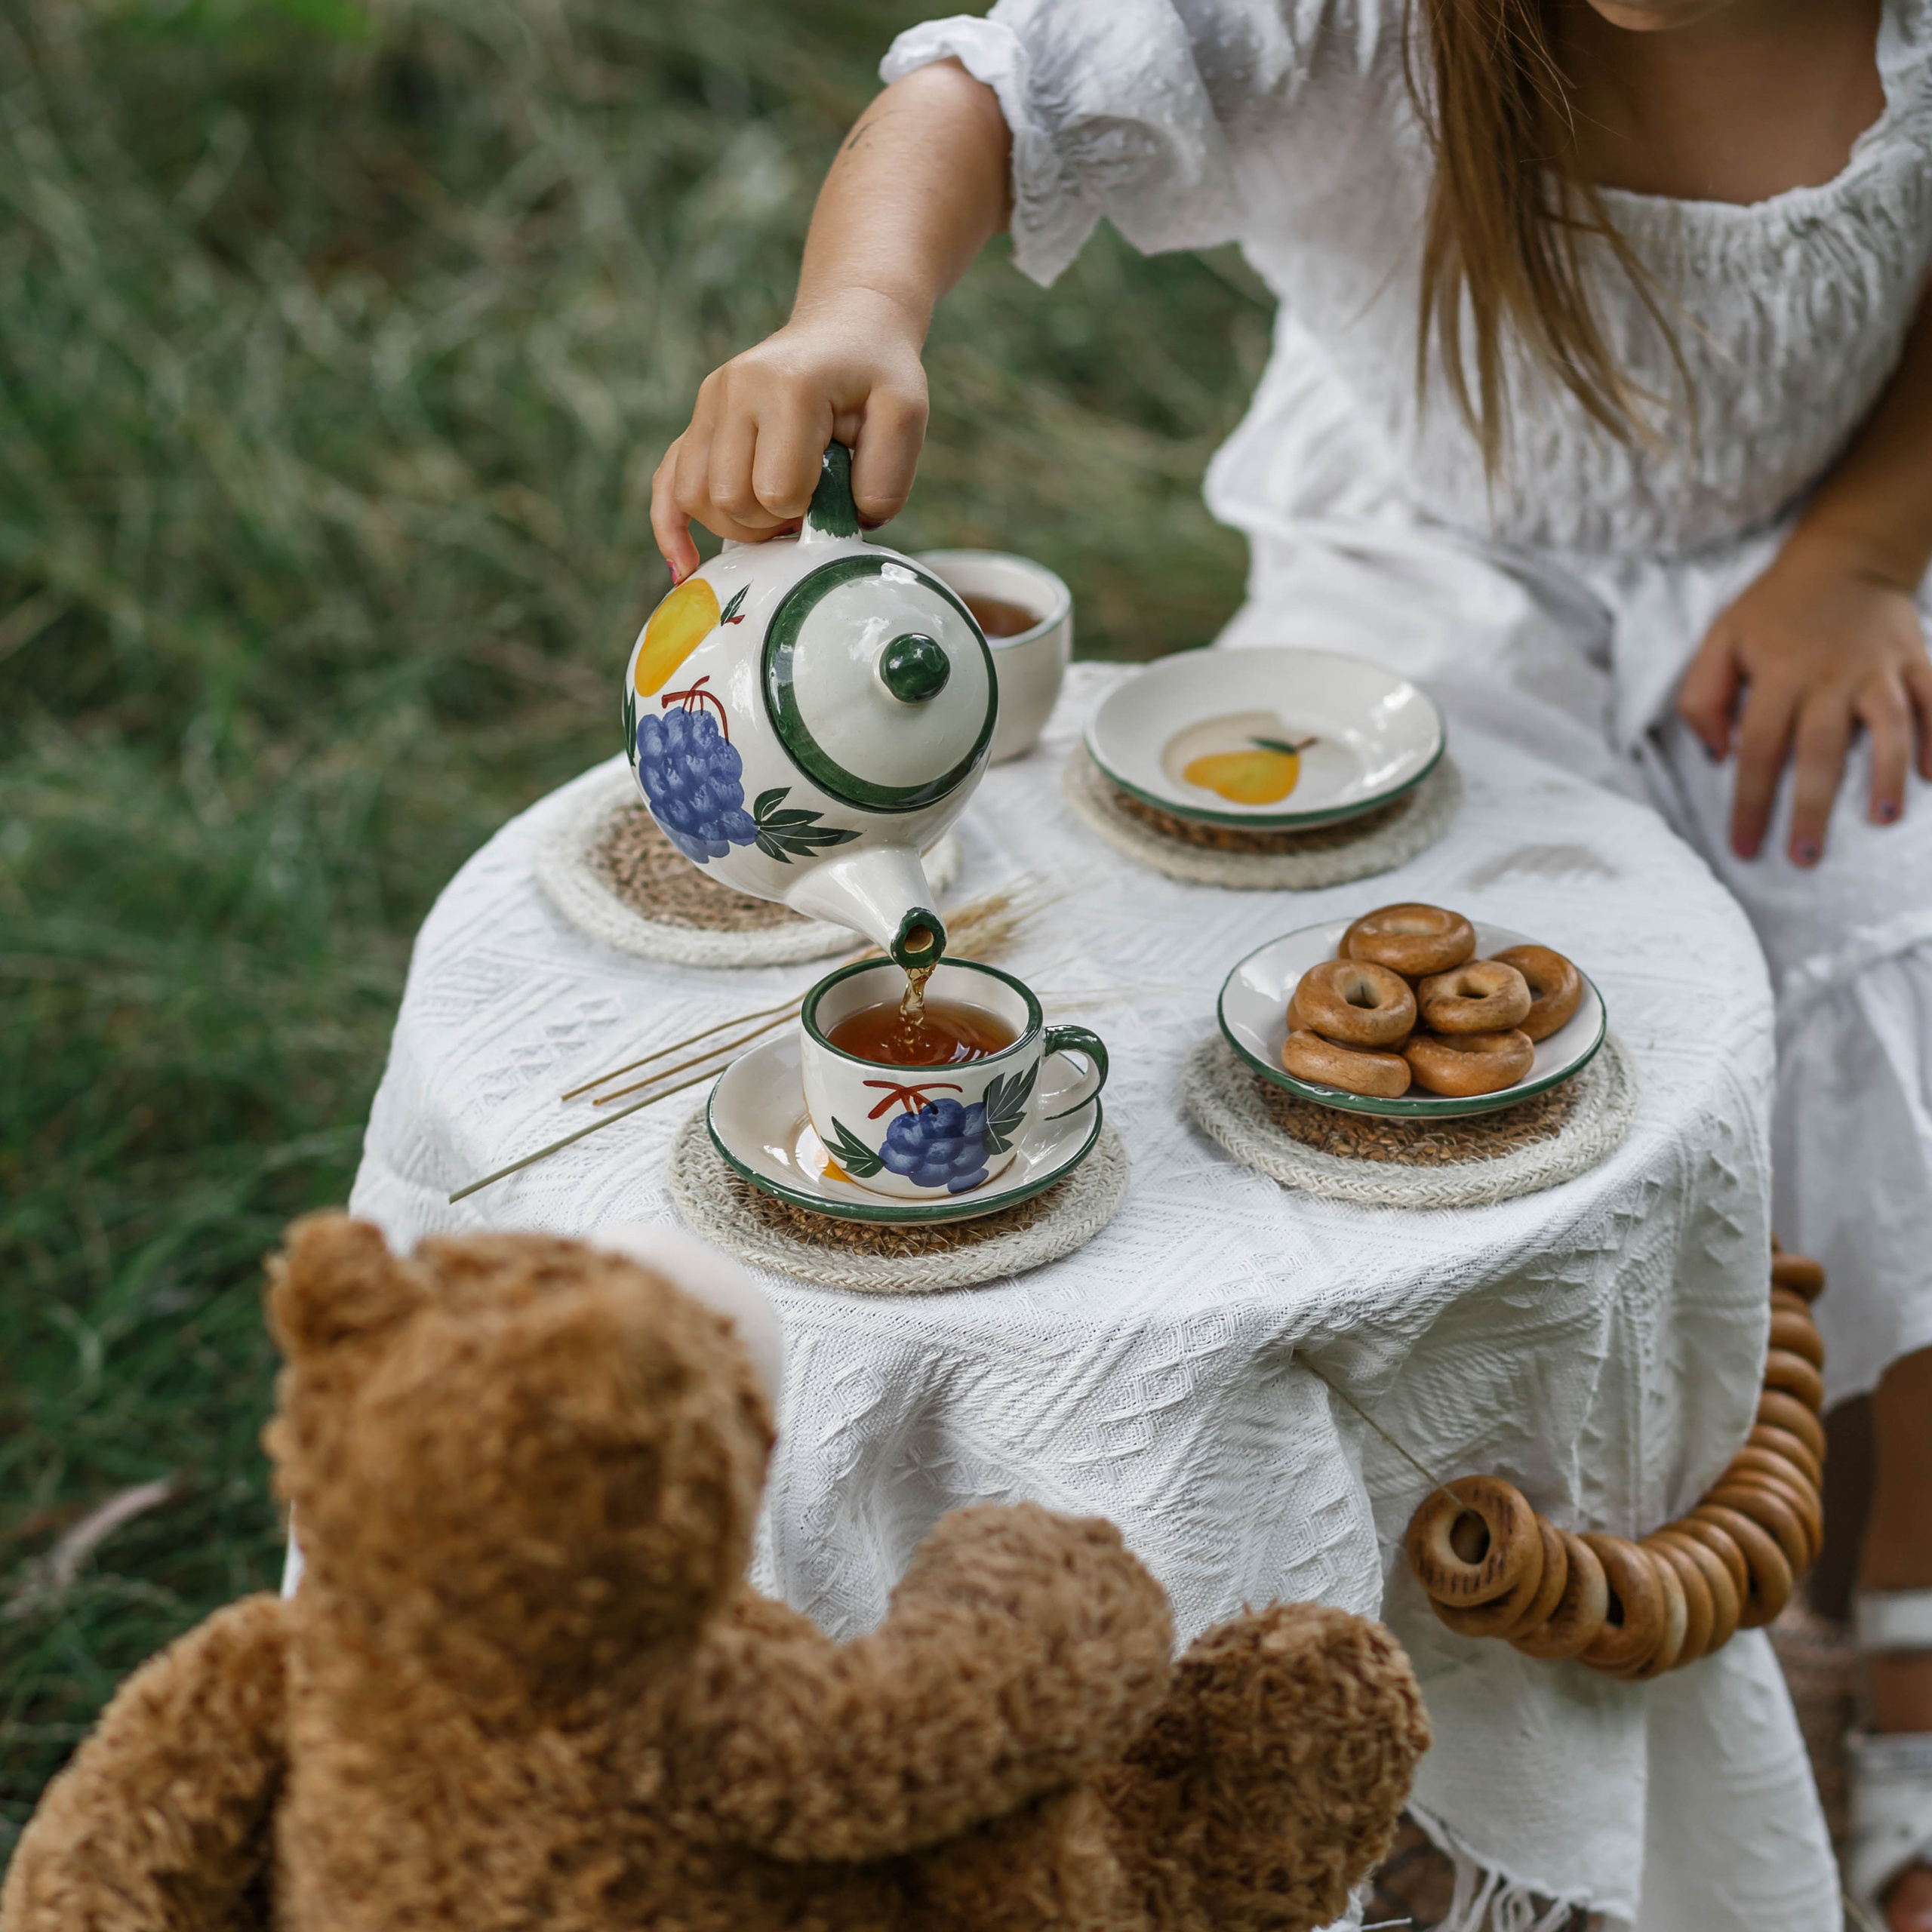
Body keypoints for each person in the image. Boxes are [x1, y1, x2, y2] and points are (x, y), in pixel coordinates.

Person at [649, 3, 1932, 1925]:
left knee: (1885, 952)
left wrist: (1854, 557)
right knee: (1388, 1037)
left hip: (1819, 562)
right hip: (1425, 567)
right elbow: (988, 93)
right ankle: (1454, 1596)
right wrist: (860, 306)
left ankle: (1897, 1643)